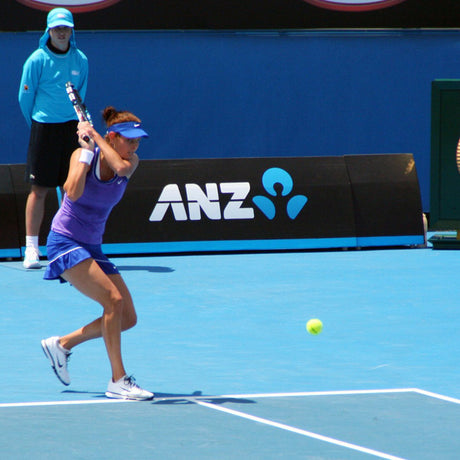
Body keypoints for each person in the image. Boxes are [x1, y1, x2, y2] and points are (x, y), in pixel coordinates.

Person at [40, 106, 153, 401]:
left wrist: (94, 137)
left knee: (127, 317)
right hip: (65, 242)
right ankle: (118, 380)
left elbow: (122, 168)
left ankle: (62, 344)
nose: (134, 146)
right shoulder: (82, 156)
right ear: (114, 137)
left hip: (92, 246)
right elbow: (72, 192)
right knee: (113, 301)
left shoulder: (131, 161)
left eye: (137, 141)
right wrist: (86, 153)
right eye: (129, 141)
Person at [18, 8, 88, 269]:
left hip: (70, 129)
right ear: (48, 31)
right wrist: (37, 124)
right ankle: (32, 249)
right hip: (44, 128)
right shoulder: (36, 60)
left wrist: (82, 126)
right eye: (57, 28)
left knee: (71, 190)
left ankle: (66, 245)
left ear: (72, 31)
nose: (61, 32)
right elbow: (25, 98)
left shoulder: (81, 60)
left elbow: (80, 98)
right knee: (39, 190)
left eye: (65, 28)